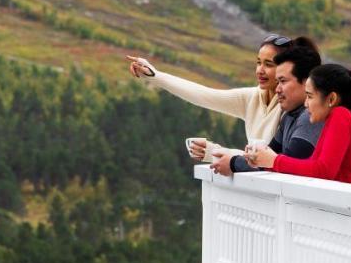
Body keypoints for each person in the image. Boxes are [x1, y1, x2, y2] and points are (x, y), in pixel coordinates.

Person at [127, 34, 319, 168]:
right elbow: (203, 95)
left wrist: (217, 152)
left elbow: (272, 162)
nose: (260, 70)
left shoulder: (292, 104)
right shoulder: (252, 97)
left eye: (268, 65)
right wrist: (155, 76)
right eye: (258, 62)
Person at [246, 63, 351, 186]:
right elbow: (312, 166)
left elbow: (323, 171)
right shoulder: (334, 119)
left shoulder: (341, 115)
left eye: (309, 96)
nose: (305, 104)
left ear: (331, 99)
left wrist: (274, 161)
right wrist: (264, 161)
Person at [227, 42, 322, 174]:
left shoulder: (310, 117)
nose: (277, 89)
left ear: (306, 83)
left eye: (283, 81)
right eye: (277, 82)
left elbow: (283, 165)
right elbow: (266, 158)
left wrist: (232, 163)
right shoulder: (289, 116)